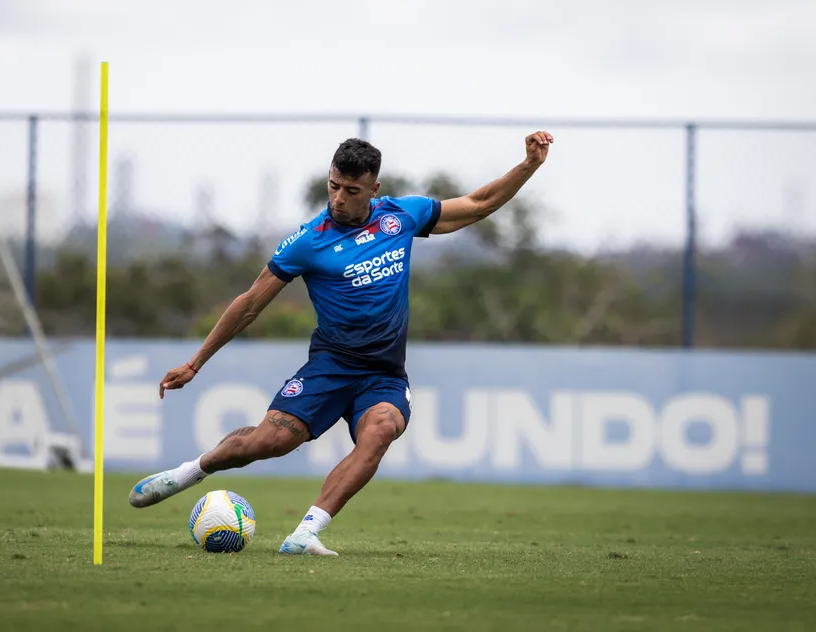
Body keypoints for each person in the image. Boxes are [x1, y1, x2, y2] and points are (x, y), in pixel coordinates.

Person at [128, 131, 554, 556]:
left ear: (374, 189)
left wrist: (529, 165)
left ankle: (305, 533)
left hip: (383, 374)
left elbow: (478, 205)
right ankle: (187, 473)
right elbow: (249, 304)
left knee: (382, 429)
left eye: (352, 191)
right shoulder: (309, 240)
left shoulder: (403, 216)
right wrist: (195, 363)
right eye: (334, 186)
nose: (339, 198)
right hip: (331, 366)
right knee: (268, 442)